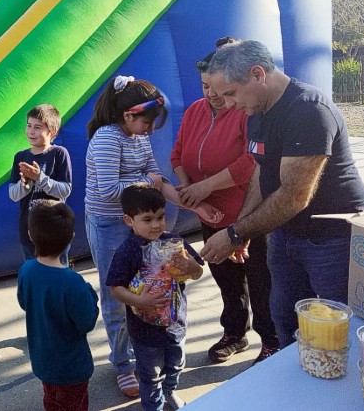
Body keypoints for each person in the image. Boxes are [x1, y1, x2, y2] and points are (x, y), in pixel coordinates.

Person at [200, 39, 364, 347]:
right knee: (286, 321)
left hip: (332, 240)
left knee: (343, 328)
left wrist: (235, 234)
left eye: (230, 93)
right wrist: (241, 226)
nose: (227, 104)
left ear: (257, 74)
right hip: (286, 236)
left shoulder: (307, 110)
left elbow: (294, 195)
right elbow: (259, 170)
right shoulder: (256, 110)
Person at [84, 75, 221, 397]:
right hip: (109, 225)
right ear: (129, 115)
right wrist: (147, 183)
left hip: (137, 222)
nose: (150, 130)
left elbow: (157, 183)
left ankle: (144, 351)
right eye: (147, 122)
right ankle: (122, 364)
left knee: (149, 285)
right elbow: (108, 191)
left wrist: (196, 208)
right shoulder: (107, 138)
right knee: (117, 293)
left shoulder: (137, 139)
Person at [170, 38, 279, 364]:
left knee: (261, 281)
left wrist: (206, 187)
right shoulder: (194, 111)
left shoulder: (244, 110)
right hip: (212, 216)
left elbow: (250, 162)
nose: (213, 94)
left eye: (219, 87)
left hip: (249, 214)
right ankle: (234, 332)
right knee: (227, 281)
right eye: (205, 86)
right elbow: (177, 153)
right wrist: (189, 188)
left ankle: (271, 339)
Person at [106, 184, 203, 411]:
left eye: (160, 217)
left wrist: (191, 265)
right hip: (144, 330)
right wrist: (140, 301)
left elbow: (197, 272)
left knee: (176, 365)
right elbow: (115, 288)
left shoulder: (174, 243)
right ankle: (153, 404)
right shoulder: (127, 251)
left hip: (176, 324)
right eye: (147, 219)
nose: (157, 224)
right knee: (150, 374)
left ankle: (169, 391)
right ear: (129, 221)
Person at [17, 200, 99, 411]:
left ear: (30, 234)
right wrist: (91, 294)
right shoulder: (73, 282)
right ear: (71, 238)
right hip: (72, 368)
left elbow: (24, 302)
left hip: (43, 362)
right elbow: (87, 322)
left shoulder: (26, 270)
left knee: (52, 402)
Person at [9, 104, 72, 265]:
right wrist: (26, 183)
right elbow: (13, 195)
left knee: (59, 273)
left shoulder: (59, 154)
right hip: (30, 231)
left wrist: (40, 178)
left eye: (38, 127)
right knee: (33, 273)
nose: (31, 131)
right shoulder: (20, 157)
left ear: (52, 132)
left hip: (55, 230)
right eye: (29, 126)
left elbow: (65, 190)